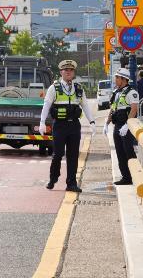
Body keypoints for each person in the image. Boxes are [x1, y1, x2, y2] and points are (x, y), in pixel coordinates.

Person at [40, 60, 96, 192]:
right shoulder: (54, 88)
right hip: (59, 126)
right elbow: (46, 105)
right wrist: (42, 122)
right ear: (61, 72)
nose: (68, 72)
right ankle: (53, 178)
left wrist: (92, 122)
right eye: (66, 70)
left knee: (73, 155)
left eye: (71, 70)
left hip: (74, 126)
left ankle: (71, 183)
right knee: (58, 154)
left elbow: (85, 106)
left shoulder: (79, 88)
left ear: (73, 72)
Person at [104, 68, 139, 185]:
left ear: (124, 79)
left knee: (128, 151)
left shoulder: (131, 92)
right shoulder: (116, 92)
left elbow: (134, 109)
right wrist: (107, 123)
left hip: (126, 126)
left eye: (117, 78)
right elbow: (113, 109)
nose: (115, 80)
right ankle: (126, 177)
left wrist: (127, 125)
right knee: (119, 152)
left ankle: (137, 176)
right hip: (117, 125)